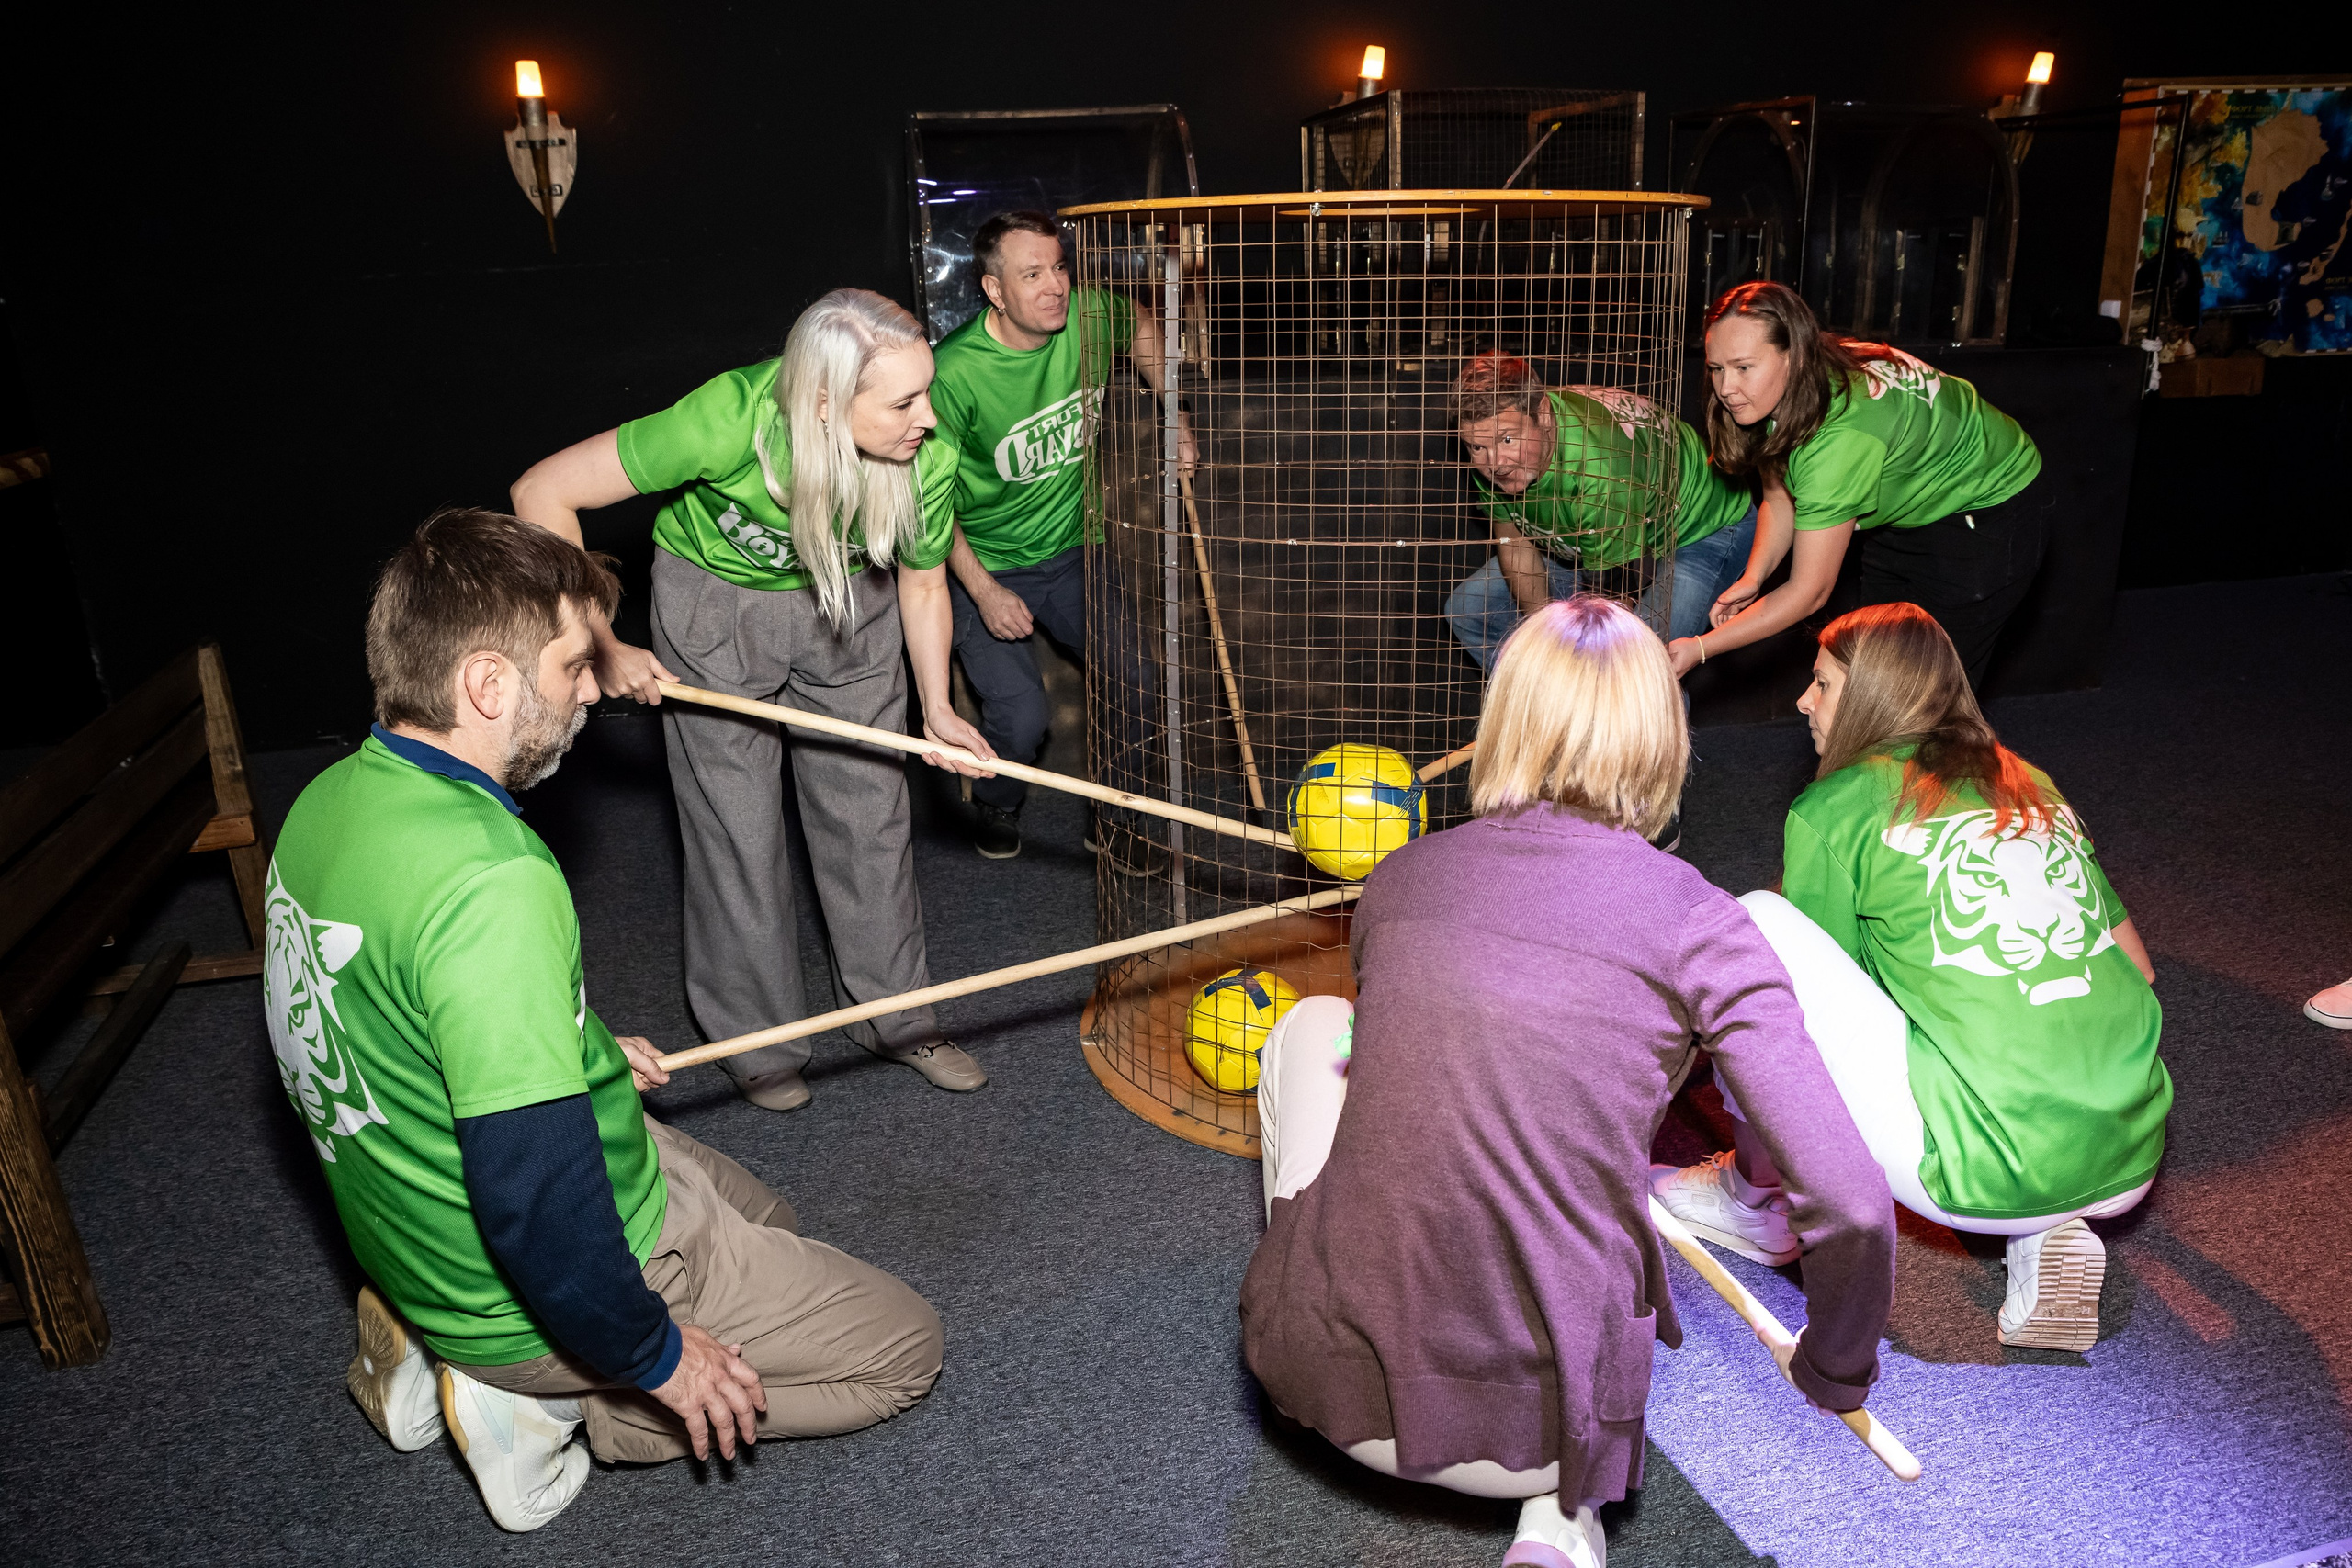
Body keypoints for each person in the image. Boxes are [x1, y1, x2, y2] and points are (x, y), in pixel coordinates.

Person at [266, 511, 943, 1531]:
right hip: (530, 1287)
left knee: (773, 1219)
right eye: (574, 664)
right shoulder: (493, 882)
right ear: (488, 685)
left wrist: (572, 1043)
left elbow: (384, 1021)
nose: (593, 691)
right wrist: (651, 1359)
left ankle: (433, 1335)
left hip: (417, 1240)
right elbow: (538, 1204)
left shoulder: (326, 801)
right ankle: (549, 1404)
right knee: (903, 1349)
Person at [1238, 595, 1894, 1568]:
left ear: (1504, 721)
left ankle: (1326, 1282)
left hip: (1322, 1385)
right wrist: (1833, 1366)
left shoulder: (1398, 878)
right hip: (1541, 1436)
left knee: (1311, 1028)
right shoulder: (1705, 924)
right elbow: (1851, 1201)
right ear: (1661, 739)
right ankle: (1558, 1519)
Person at [511, 288, 995, 1113]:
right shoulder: (728, 417)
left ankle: (897, 1018)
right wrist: (602, 642)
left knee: (871, 813)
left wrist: (938, 706)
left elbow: (922, 584)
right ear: (823, 401)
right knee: (735, 827)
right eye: (904, 402)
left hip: (849, 604)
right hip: (717, 607)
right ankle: (759, 1045)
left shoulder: (927, 455)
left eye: (927, 391)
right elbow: (542, 490)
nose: (930, 418)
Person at [1651, 602, 2172, 1352]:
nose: (1803, 700)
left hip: (1976, 1169)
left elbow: (1790, 1025)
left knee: (1758, 925)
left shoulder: (1836, 806)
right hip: (2131, 1146)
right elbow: (2137, 967)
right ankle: (2047, 1225)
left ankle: (1754, 1200)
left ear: (1872, 697)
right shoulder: (2030, 781)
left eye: (1823, 684)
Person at [929, 209, 1188, 862]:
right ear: (994, 290)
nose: (1056, 286)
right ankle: (997, 801)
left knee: (1136, 682)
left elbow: (1140, 324)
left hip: (1076, 548)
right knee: (1024, 717)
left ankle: (1113, 818)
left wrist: (1174, 410)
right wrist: (984, 591)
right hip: (983, 562)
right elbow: (926, 507)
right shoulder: (952, 373)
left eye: (1060, 267)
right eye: (1032, 274)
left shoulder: (1087, 316)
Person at [1670, 281, 2050, 689]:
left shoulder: (1837, 440)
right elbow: (1781, 498)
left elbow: (1809, 592)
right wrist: (1754, 577)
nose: (1726, 388)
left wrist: (1702, 647)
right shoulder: (1789, 390)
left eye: (1743, 367)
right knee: (1871, 669)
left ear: (1795, 355)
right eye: (1716, 368)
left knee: (1929, 693)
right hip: (1908, 503)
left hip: (1989, 506)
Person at [1444, 350, 1759, 671]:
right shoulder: (1499, 460)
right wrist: (1545, 638)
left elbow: (1614, 603)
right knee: (1469, 612)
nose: (1495, 464)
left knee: (1637, 664)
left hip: (1701, 527)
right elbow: (1515, 544)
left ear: (1543, 414)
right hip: (1602, 528)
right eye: (1476, 446)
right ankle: (1545, 698)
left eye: (1508, 439)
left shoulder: (1599, 472)